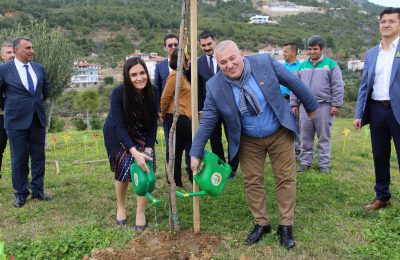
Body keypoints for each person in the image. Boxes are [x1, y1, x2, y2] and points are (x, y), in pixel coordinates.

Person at [190, 40, 319, 249]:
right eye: (223, 62)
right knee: (252, 181)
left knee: (285, 178)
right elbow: (208, 120)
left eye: (232, 58)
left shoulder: (264, 62)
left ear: (241, 54)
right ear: (218, 64)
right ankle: (262, 223)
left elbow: (293, 82)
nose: (229, 65)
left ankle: (285, 225)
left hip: (278, 131)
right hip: (248, 139)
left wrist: (312, 106)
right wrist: (195, 152)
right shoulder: (214, 86)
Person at [353, 7, 400, 210]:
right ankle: (382, 196)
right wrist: (358, 113)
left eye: (391, 21)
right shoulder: (372, 53)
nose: (386, 25)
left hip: (397, 110)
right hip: (377, 110)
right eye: (383, 21)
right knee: (380, 155)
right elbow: (364, 85)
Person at [103, 57, 157, 230]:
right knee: (123, 167)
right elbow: (119, 126)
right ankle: (121, 206)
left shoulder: (154, 91)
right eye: (134, 75)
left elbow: (153, 123)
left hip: (142, 131)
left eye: (142, 73)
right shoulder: (118, 94)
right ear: (127, 77)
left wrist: (148, 149)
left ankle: (140, 211)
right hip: (118, 133)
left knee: (145, 167)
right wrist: (134, 152)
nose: (139, 78)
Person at [0, 37, 51, 208]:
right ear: (16, 51)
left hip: (37, 119)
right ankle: (20, 193)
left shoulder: (39, 68)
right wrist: (10, 107)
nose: (32, 51)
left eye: (32, 47)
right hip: (15, 121)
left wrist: (34, 105)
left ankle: (38, 190)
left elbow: (46, 90)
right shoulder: (4, 69)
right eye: (28, 48)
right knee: (18, 159)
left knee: (38, 157)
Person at [291, 36, 344, 174]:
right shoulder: (302, 66)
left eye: (315, 49)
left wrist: (336, 104)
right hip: (304, 107)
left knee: (323, 137)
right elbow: (295, 86)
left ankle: (324, 165)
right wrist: (294, 103)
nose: (312, 52)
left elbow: (338, 85)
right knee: (305, 137)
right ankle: (305, 163)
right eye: (309, 49)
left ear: (322, 49)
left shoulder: (331, 65)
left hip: (324, 106)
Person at [197, 29, 239, 179]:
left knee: (232, 137)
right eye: (204, 45)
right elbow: (198, 88)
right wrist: (199, 109)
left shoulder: (226, 60)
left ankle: (232, 170)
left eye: (209, 43)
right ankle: (221, 167)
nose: (207, 47)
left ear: (215, 41)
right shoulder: (199, 63)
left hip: (229, 106)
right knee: (215, 140)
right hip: (210, 109)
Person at [160, 49, 193, 188]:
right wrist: (163, 115)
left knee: (178, 149)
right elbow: (165, 97)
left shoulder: (181, 76)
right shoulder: (175, 76)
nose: (189, 61)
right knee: (192, 147)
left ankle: (176, 180)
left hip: (183, 116)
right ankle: (194, 177)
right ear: (181, 60)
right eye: (187, 58)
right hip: (177, 117)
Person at [280, 43, 302, 157]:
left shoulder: (301, 66)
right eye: (283, 51)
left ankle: (298, 152)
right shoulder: (280, 66)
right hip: (282, 100)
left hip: (296, 101)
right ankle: (286, 151)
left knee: (297, 126)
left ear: (294, 52)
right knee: (284, 127)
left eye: (286, 51)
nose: (283, 54)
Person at [0, 43, 14, 180]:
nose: (12, 55)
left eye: (13, 52)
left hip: (19, 117)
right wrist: (9, 105)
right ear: (2, 55)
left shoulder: (21, 71)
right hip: (2, 117)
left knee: (21, 151)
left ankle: (23, 181)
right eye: (8, 52)